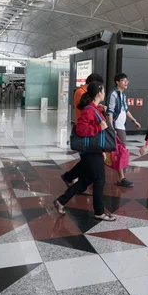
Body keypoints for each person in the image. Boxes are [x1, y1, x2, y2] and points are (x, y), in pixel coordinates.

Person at [54, 81, 115, 221]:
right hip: (91, 152)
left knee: (86, 180)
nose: (105, 93)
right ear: (99, 93)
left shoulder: (94, 108)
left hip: (94, 150)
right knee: (100, 180)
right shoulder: (89, 109)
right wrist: (99, 127)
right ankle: (99, 212)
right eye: (104, 91)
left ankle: (61, 201)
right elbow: (81, 130)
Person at [63, 73, 105, 194]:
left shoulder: (82, 93)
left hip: (88, 130)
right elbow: (87, 109)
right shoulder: (81, 93)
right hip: (85, 133)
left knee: (86, 162)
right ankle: (71, 186)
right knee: (88, 163)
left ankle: (71, 179)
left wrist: (99, 108)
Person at [107, 73, 141, 188]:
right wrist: (112, 128)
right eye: (124, 80)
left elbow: (126, 110)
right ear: (117, 82)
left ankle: (120, 177)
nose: (126, 82)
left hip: (121, 126)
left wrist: (134, 120)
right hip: (117, 127)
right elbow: (110, 112)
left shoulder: (123, 95)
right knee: (120, 152)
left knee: (118, 152)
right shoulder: (113, 95)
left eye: (127, 80)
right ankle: (121, 178)